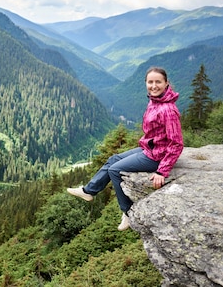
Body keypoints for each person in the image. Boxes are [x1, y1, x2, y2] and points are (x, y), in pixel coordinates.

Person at [67, 66, 184, 231]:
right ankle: (89, 191)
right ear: (146, 83)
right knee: (113, 159)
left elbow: (177, 143)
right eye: (150, 82)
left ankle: (127, 212)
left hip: (158, 156)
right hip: (151, 148)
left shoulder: (167, 110)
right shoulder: (155, 101)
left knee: (115, 170)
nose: (154, 86)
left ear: (166, 83)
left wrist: (162, 171)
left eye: (158, 82)